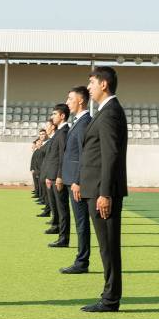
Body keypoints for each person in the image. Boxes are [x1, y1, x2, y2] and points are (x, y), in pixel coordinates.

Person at [79, 66, 127, 312]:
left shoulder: (110, 113)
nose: (89, 88)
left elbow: (110, 156)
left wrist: (105, 193)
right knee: (106, 246)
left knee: (108, 246)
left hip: (102, 191)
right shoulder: (105, 111)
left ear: (104, 84)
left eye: (91, 83)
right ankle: (109, 296)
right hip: (96, 188)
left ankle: (110, 299)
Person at [61, 86, 92, 273]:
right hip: (72, 179)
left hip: (77, 182)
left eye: (70, 99)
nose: (67, 102)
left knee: (81, 223)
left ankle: (82, 262)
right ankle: (81, 260)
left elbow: (84, 155)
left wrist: (78, 181)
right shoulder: (78, 122)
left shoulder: (84, 122)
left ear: (80, 100)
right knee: (80, 222)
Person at [42, 104, 69, 244]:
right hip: (53, 175)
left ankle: (63, 238)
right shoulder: (59, 132)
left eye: (54, 114)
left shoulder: (64, 132)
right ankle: (58, 229)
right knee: (58, 207)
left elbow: (62, 156)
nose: (52, 117)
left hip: (58, 177)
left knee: (63, 209)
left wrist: (59, 176)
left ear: (62, 116)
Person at [36, 121, 55, 217]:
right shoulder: (47, 142)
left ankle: (49, 211)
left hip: (48, 172)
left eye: (47, 126)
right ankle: (48, 210)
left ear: (52, 127)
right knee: (47, 194)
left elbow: (49, 157)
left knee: (50, 195)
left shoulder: (51, 141)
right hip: (43, 170)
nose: (46, 128)